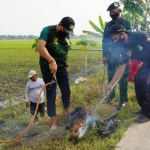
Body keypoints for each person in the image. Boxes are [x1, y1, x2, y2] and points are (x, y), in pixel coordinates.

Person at [36, 16, 75, 130]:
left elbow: (65, 52)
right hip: (49, 68)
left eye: (68, 32)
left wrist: (66, 65)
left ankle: (66, 113)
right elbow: (40, 47)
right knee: (51, 94)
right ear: (60, 25)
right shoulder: (47, 31)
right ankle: (53, 122)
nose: (66, 33)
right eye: (65, 30)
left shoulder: (66, 35)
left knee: (66, 91)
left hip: (62, 68)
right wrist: (51, 61)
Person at [107, 24, 150, 123]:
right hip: (147, 61)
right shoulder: (124, 47)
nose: (115, 41)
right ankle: (144, 107)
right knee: (139, 79)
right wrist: (111, 84)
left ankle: (148, 114)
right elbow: (121, 68)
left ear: (122, 34)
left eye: (115, 38)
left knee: (148, 83)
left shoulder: (141, 36)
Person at [102, 2, 131, 110]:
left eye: (113, 12)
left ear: (119, 11)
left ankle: (123, 100)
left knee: (123, 77)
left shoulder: (126, 23)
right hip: (111, 54)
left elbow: (127, 39)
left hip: (122, 53)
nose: (111, 14)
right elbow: (104, 40)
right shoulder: (108, 25)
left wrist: (128, 57)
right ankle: (111, 95)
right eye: (110, 12)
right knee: (111, 75)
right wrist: (105, 55)